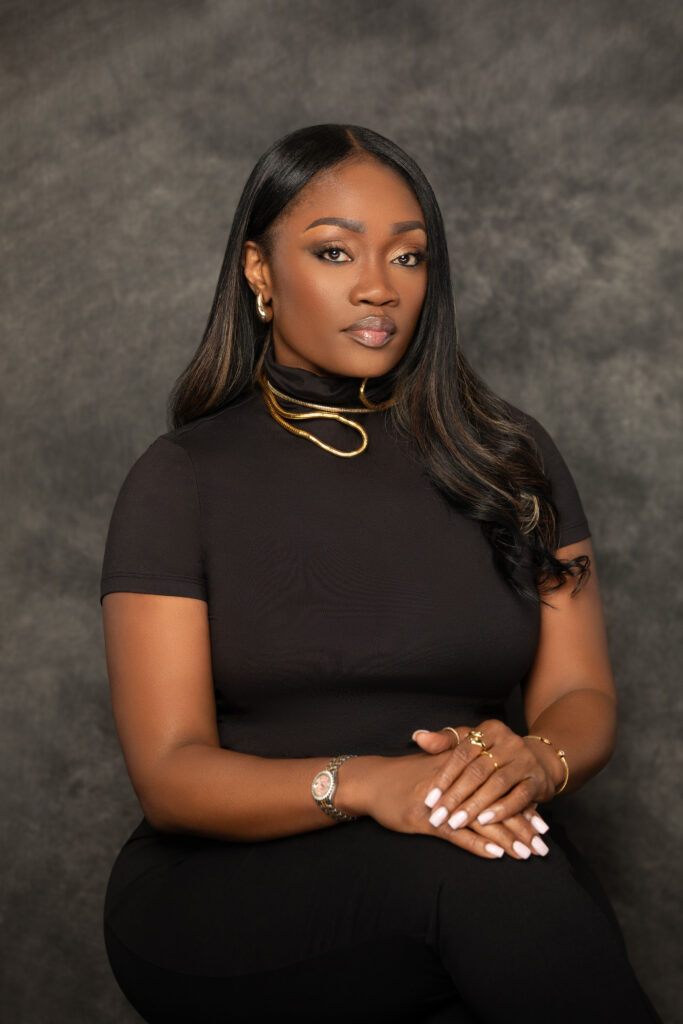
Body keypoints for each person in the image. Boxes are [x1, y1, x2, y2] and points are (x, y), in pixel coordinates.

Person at [99, 123, 663, 1023]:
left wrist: (534, 760)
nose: (378, 288)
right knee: (493, 875)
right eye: (334, 252)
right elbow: (171, 777)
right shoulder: (182, 479)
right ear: (258, 270)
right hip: (224, 890)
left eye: (408, 256)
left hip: (467, 856)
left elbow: (580, 692)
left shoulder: (510, 456)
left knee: (509, 876)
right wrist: (371, 783)